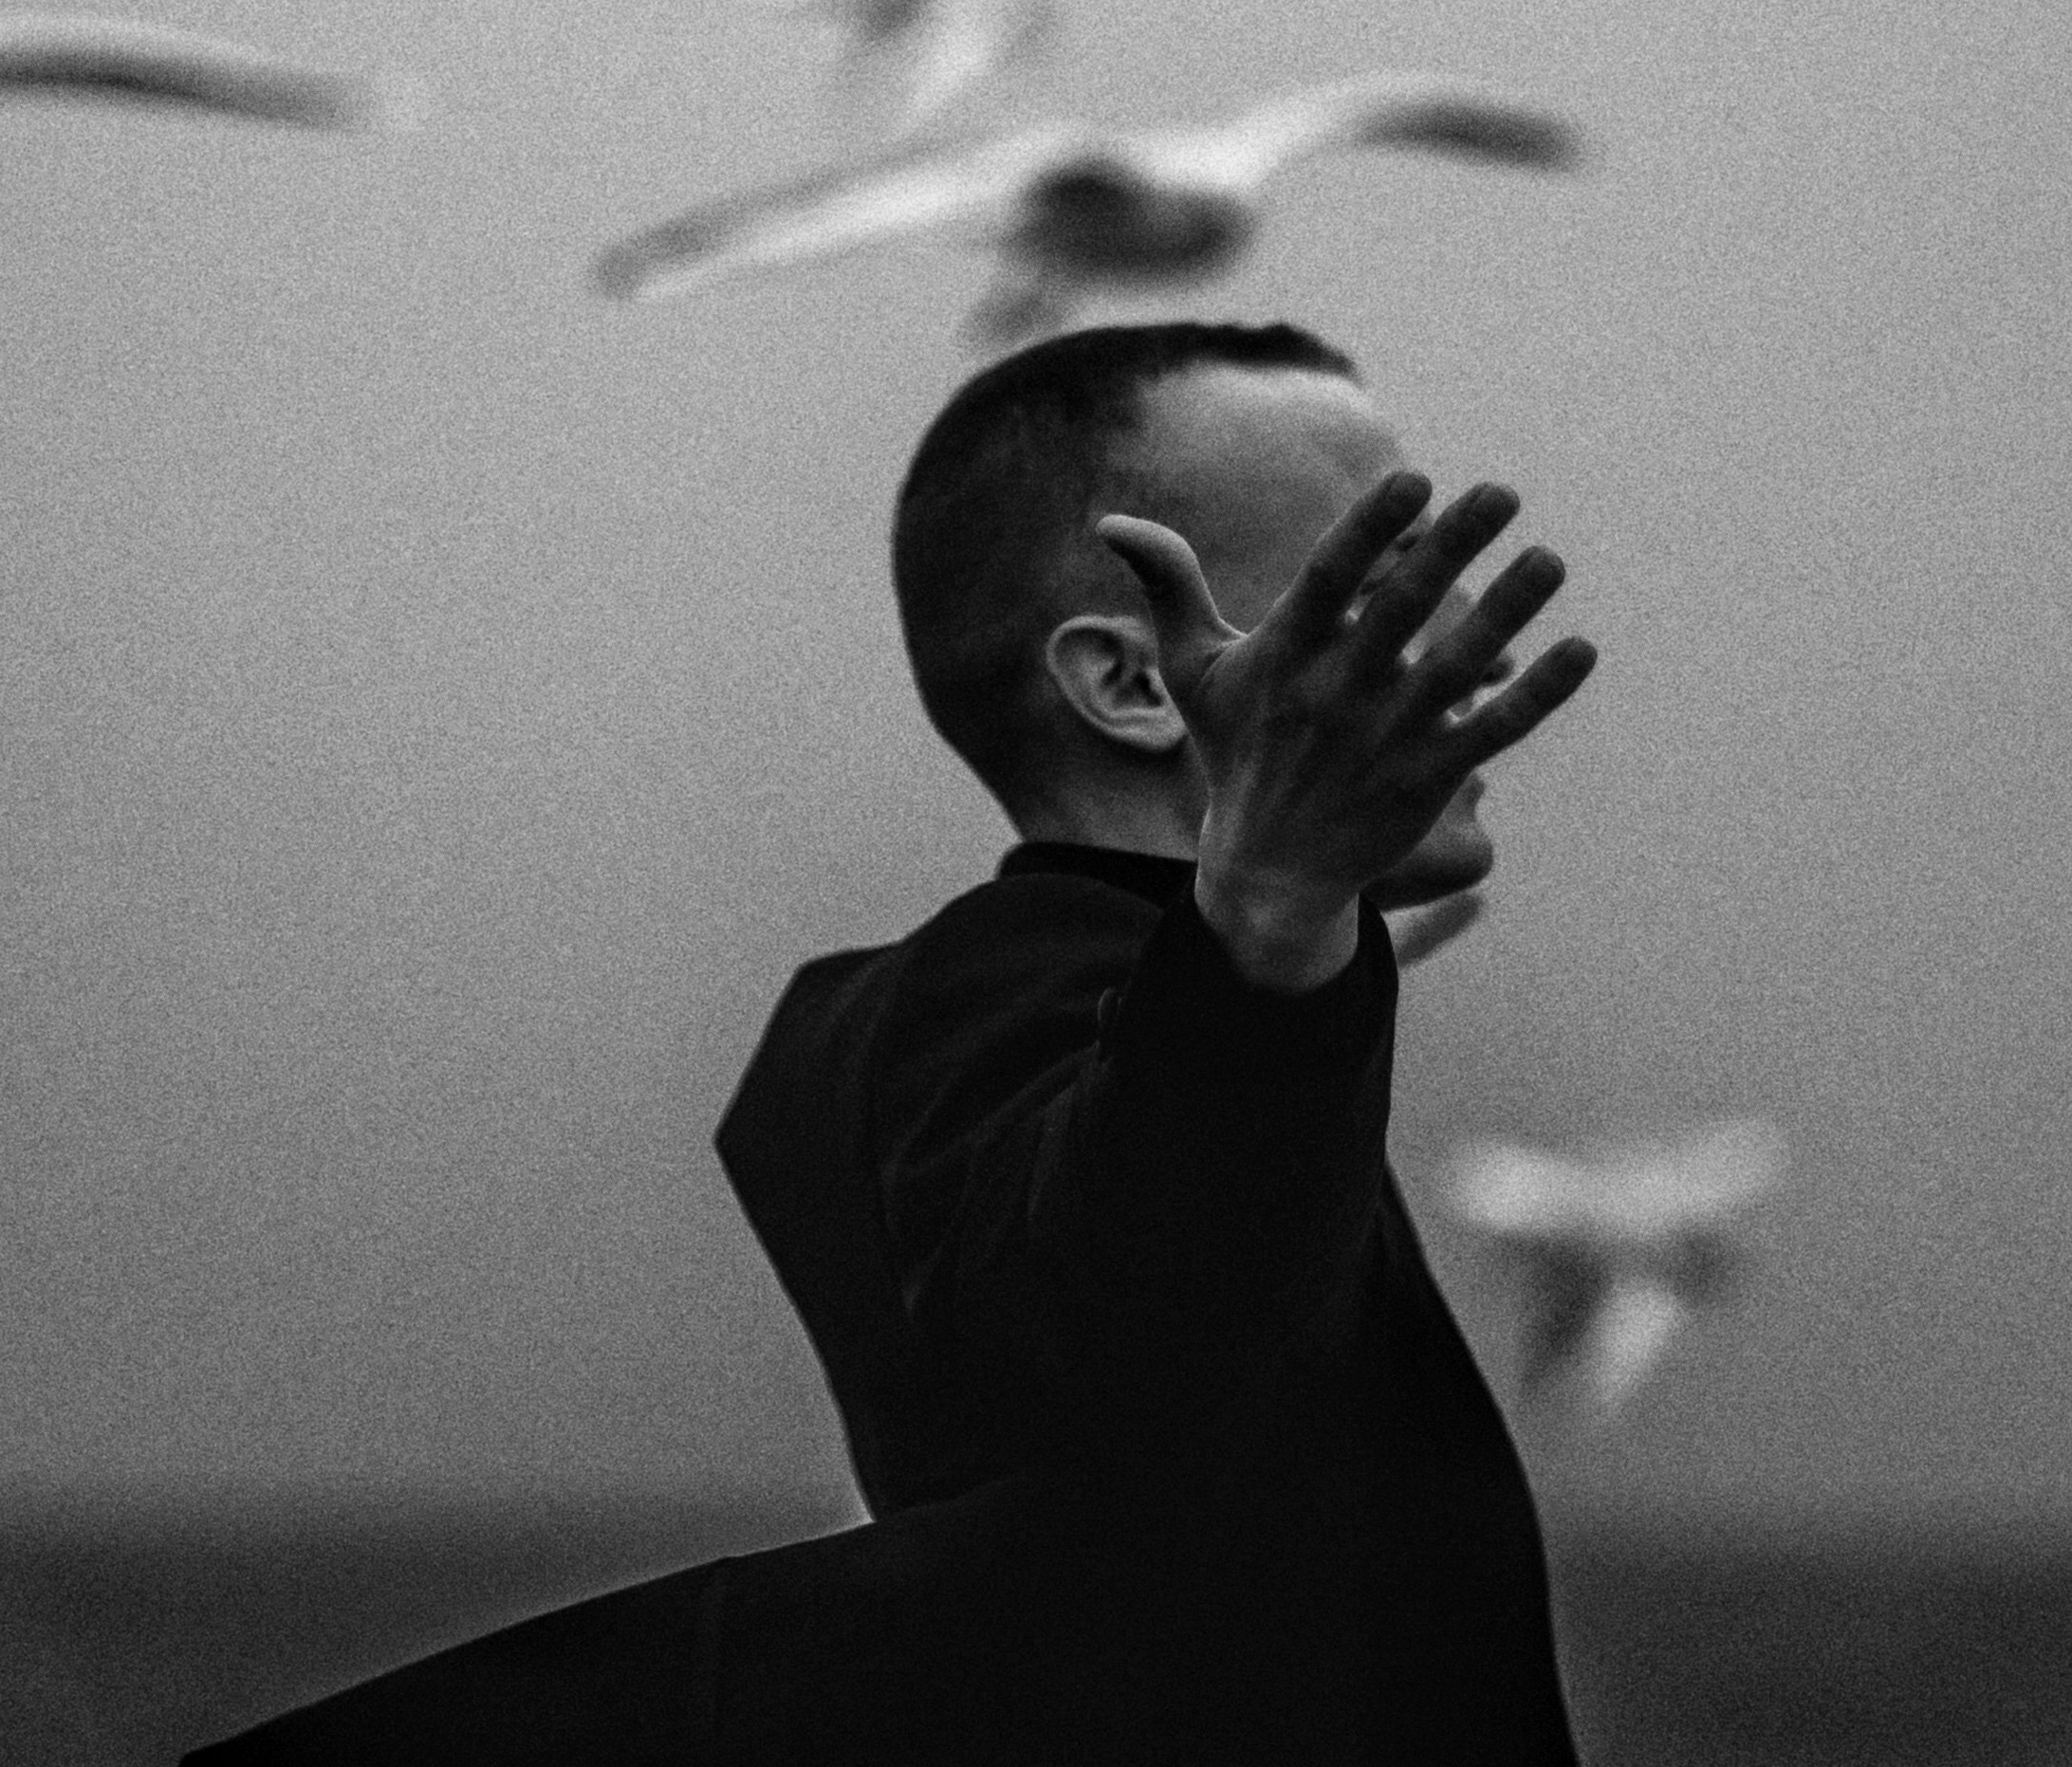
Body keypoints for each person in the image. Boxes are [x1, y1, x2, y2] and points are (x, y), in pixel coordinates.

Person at [189, 314, 1598, 1764]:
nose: (1452, 642)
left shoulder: (1141, 1007)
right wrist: (1264, 928)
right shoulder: (1048, 997)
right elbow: (1115, 1339)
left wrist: (1282, 971)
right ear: (1127, 682)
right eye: (1370, 583)